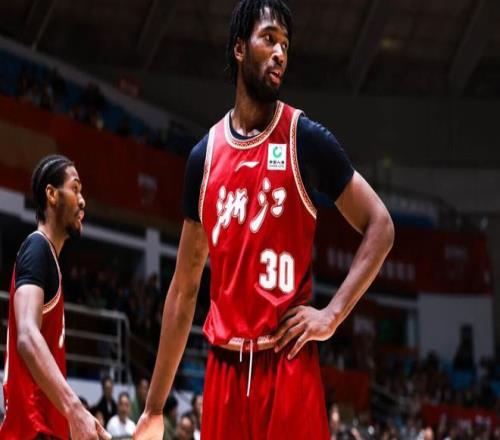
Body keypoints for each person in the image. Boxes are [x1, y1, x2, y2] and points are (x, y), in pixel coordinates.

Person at [134, 1, 394, 439]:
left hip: (286, 363)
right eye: (269, 39)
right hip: (224, 370)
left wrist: (332, 315)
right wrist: (155, 407)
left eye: (285, 45)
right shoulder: (204, 158)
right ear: (240, 48)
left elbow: (380, 226)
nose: (279, 53)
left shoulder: (305, 139)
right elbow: (183, 289)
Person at [0, 154, 110, 439]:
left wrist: (77, 414)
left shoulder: (49, 259)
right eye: (75, 188)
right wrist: (74, 409)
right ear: (51, 194)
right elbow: (26, 336)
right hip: (31, 430)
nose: (82, 201)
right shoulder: (37, 248)